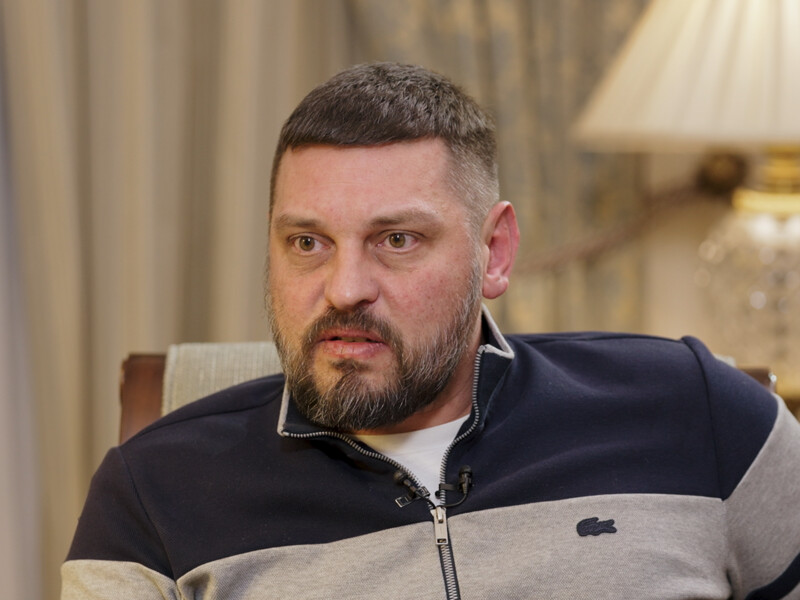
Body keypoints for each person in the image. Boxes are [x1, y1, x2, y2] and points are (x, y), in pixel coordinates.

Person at [62, 62, 800, 600]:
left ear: (494, 252)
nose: (344, 288)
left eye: (397, 240)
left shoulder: (693, 409)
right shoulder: (152, 492)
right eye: (307, 243)